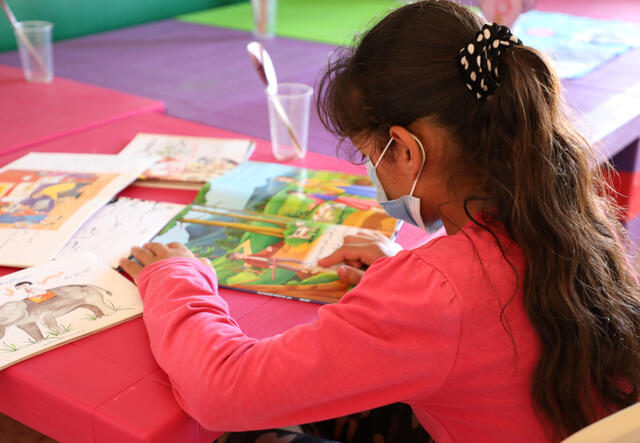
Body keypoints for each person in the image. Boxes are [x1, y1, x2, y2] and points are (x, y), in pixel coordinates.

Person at [119, 1, 640, 441]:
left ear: (409, 151)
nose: (371, 171)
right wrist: (409, 274)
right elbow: (482, 311)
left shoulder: (435, 294)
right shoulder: (568, 213)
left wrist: (175, 278)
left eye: (370, 153)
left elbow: (221, 392)